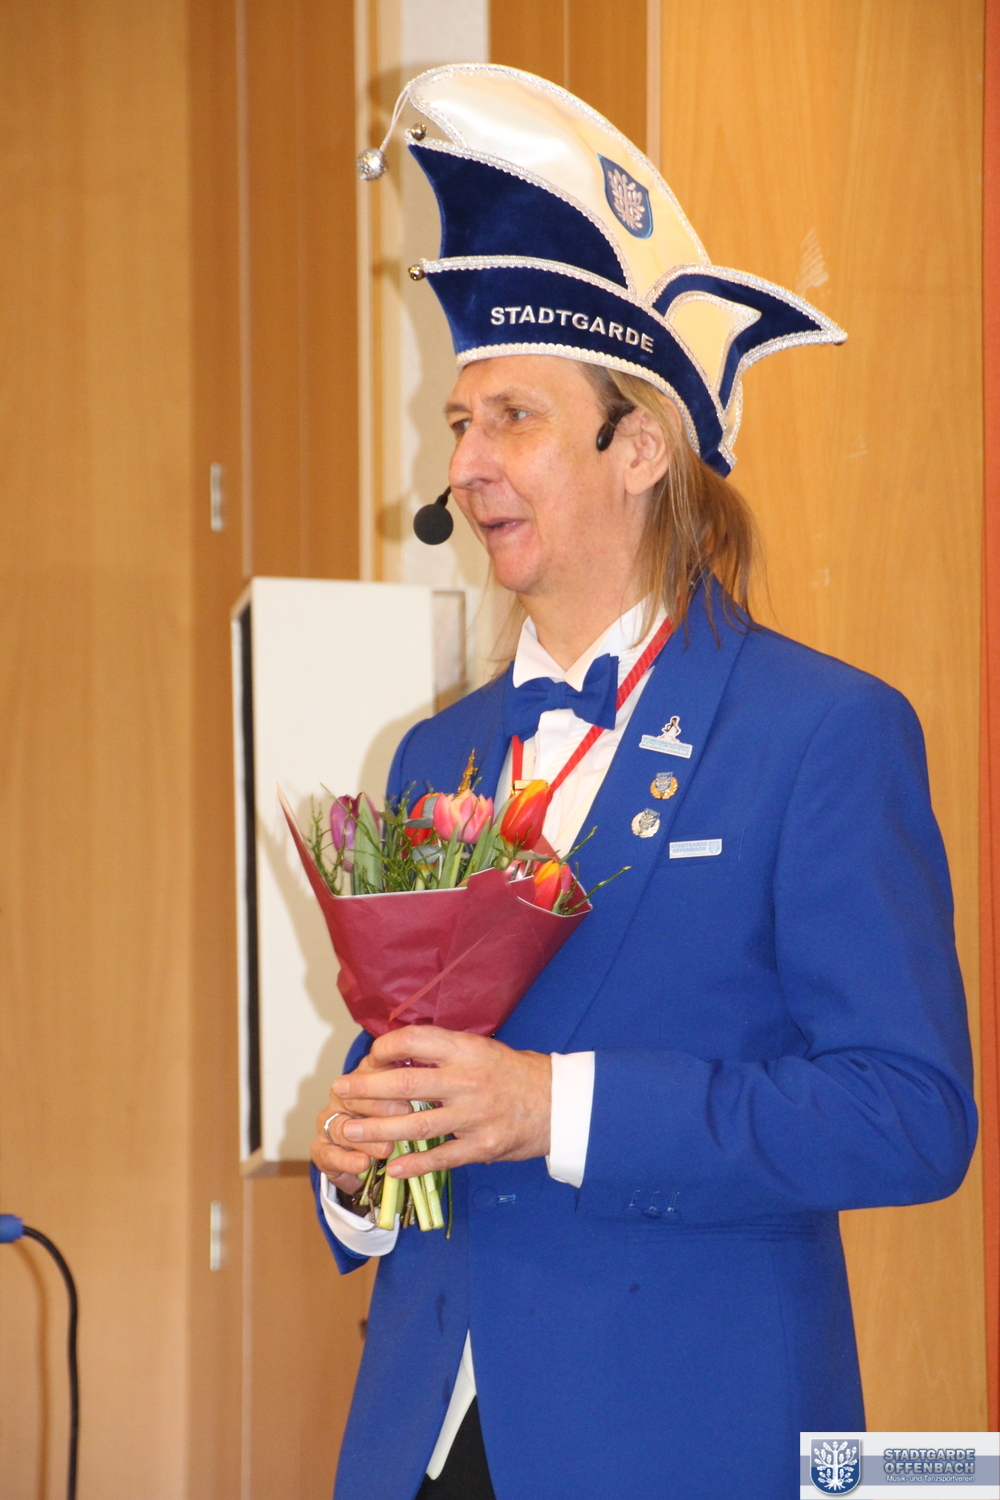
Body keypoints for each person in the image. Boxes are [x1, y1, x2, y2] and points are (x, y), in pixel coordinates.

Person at [309, 66, 977, 1500]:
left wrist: (558, 1108)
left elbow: (909, 1116)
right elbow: (417, 1085)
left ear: (644, 448)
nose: (465, 464)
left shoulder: (824, 731)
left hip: (689, 1436)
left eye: (513, 419)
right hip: (425, 1434)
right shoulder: (434, 758)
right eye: (459, 423)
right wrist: (360, 1172)